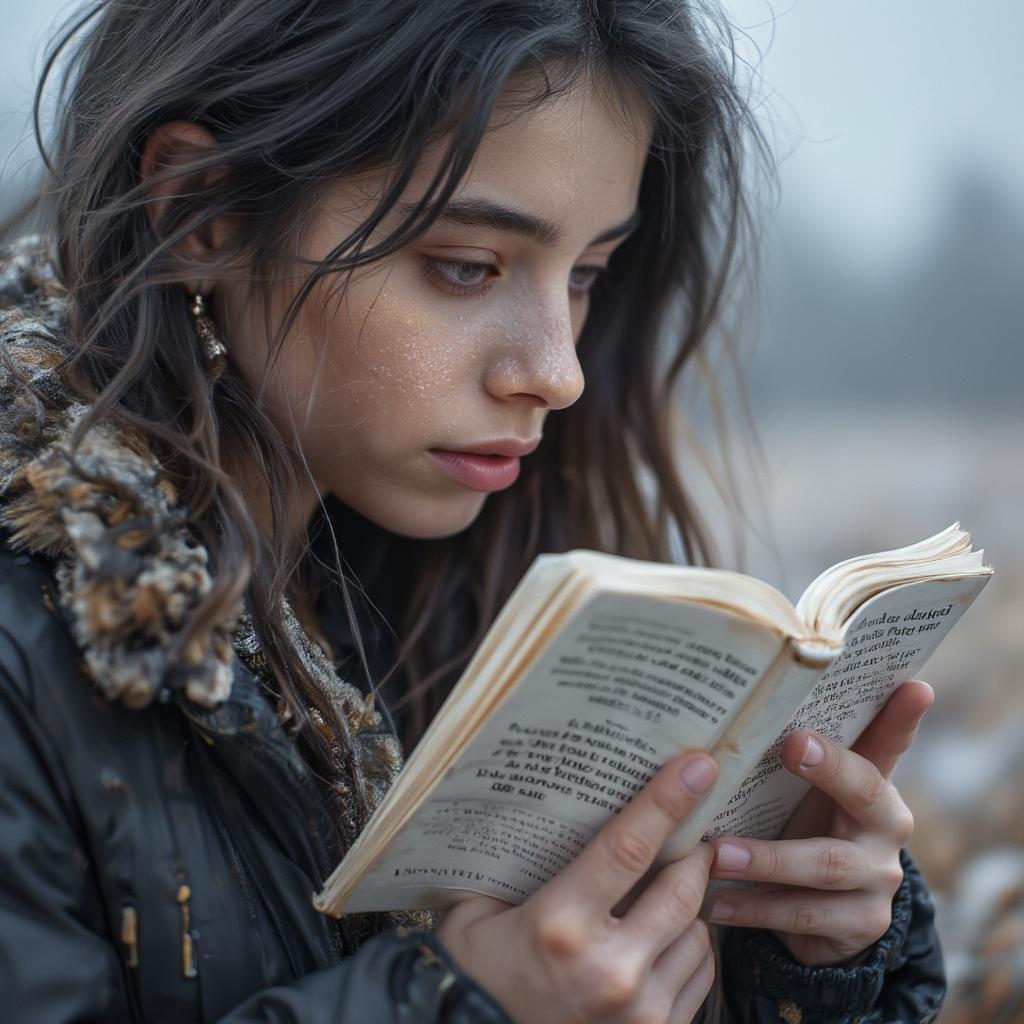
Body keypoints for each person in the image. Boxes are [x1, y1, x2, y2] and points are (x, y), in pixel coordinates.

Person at [0, 1, 946, 1021]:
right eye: (465, 266)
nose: (557, 371)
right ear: (201, 213)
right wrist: (465, 1007)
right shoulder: (25, 661)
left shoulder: (424, 596)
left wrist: (794, 960)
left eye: (587, 274)